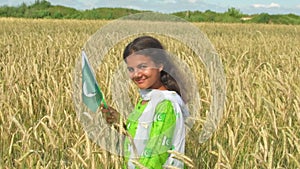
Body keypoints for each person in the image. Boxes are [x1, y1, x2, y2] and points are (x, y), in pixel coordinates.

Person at [101, 35, 190, 169]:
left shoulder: (166, 104)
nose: (136, 74)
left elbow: (155, 155)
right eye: (131, 69)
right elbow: (143, 139)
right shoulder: (148, 99)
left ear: (160, 65)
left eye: (143, 66)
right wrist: (121, 124)